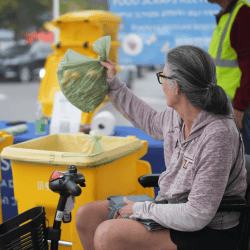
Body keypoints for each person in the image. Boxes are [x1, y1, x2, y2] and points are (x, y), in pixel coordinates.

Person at [75, 46, 247, 250]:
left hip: (209, 231)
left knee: (107, 235)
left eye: (163, 76)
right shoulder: (177, 116)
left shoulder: (217, 134)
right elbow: (149, 119)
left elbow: (197, 215)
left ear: (177, 86)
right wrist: (115, 84)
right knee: (86, 216)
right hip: (171, 210)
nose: (162, 84)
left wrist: (141, 209)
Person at [208, 0, 250, 155]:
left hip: (239, 109)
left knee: (243, 167)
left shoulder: (243, 14)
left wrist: (240, 106)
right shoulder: (226, 16)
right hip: (225, 106)